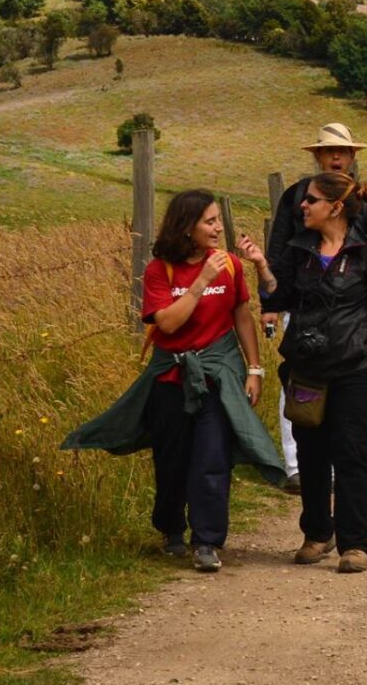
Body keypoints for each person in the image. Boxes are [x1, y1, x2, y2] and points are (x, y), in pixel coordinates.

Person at [61, 190, 284, 572]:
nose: (218, 228)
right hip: (170, 378)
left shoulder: (229, 265)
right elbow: (166, 322)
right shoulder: (159, 271)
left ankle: (207, 541)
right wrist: (200, 283)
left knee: (213, 457)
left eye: (217, 220)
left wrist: (254, 368)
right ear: (186, 226)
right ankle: (171, 530)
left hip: (218, 377)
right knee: (172, 459)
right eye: (209, 221)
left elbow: (241, 315)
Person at [251, 171, 367, 574]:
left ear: (335, 207)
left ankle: (355, 544)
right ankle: (318, 533)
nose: (303, 205)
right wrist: (263, 267)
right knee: (311, 453)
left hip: (357, 367)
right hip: (307, 368)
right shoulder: (298, 251)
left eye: (312, 200)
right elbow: (278, 296)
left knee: (351, 452)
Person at [264, 122, 367, 492]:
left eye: (344, 151)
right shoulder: (296, 197)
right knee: (299, 383)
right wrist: (270, 303)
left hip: (354, 310)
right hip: (303, 301)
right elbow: (279, 246)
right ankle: (296, 466)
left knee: (348, 388)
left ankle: (337, 466)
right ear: (317, 156)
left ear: (353, 157)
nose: (336, 157)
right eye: (329, 151)